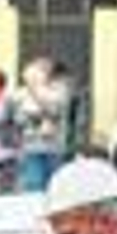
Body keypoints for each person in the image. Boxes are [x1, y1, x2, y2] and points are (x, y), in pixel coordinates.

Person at [17, 58, 71, 192]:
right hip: (31, 145)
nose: (37, 74)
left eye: (42, 70)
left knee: (54, 186)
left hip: (54, 146)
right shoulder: (22, 93)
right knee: (34, 186)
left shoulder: (59, 88)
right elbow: (18, 117)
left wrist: (34, 92)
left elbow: (55, 110)